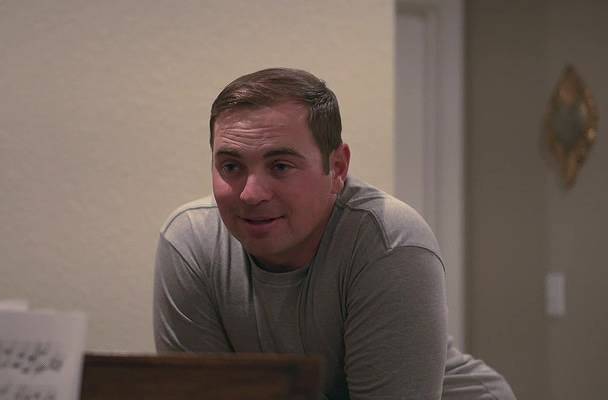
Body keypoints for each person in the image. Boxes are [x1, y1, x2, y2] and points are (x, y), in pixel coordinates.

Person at [153, 68, 516, 399]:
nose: (251, 194)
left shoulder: (389, 242)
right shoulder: (191, 243)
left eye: (281, 166)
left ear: (338, 168)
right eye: (231, 166)